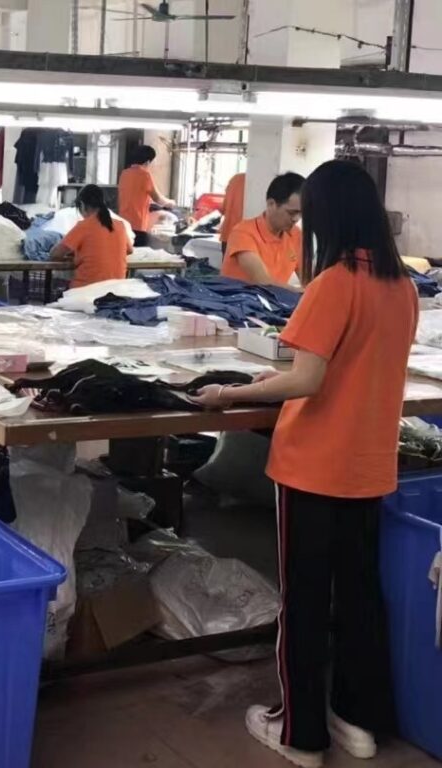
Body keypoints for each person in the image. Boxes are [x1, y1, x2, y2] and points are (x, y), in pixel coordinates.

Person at [193, 160, 415, 768]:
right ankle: (357, 721)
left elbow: (307, 380)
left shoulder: (335, 282)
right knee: (359, 593)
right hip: (369, 466)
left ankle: (300, 733)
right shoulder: (401, 286)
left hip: (314, 467)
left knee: (306, 599)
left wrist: (229, 394)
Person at [223, 172, 305, 288]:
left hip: (275, 298)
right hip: (237, 298)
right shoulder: (243, 233)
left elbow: (309, 280)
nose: (296, 219)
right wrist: (300, 292)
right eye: (292, 213)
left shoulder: (296, 235)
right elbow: (263, 282)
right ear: (271, 204)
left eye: (301, 213)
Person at [49, 184, 132, 288]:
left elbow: (55, 254)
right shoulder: (120, 225)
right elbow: (129, 250)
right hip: (116, 289)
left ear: (82, 205)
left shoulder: (83, 226)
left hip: (87, 290)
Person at [117, 145, 176, 246]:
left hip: (123, 223)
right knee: (140, 252)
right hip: (137, 224)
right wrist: (171, 203)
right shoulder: (144, 175)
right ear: (148, 162)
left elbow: (133, 194)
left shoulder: (124, 174)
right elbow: (158, 199)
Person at [220, 172, 246, 247]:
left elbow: (223, 209)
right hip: (243, 237)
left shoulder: (234, 179)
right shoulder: (255, 181)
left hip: (227, 235)